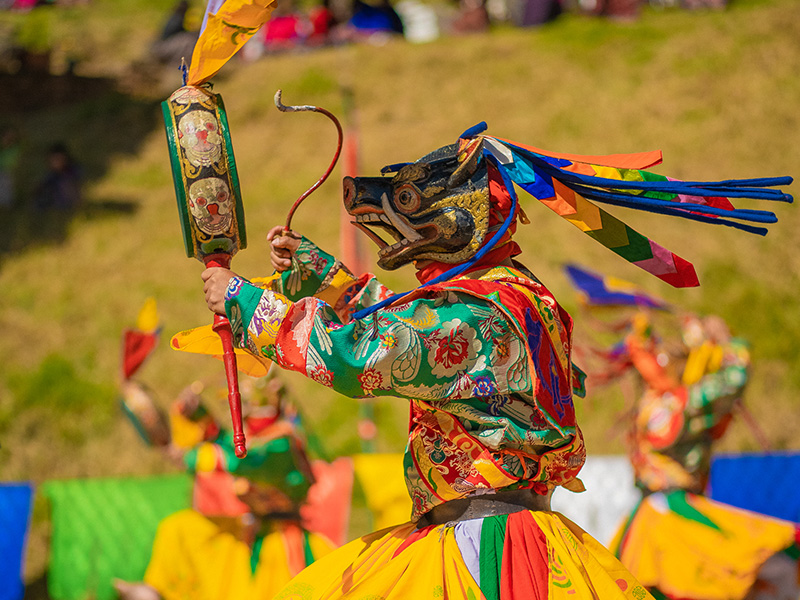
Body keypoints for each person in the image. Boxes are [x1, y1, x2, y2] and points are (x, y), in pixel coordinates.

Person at [197, 123, 790, 598]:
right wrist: (326, 279)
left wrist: (246, 303)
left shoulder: (481, 315)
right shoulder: (508, 295)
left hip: (484, 550)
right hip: (507, 533)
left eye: (407, 200)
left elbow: (367, 353)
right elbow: (418, 330)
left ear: (467, 218)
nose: (376, 209)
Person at [590, 310, 800, 600]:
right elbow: (734, 377)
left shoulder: (654, 403)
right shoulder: (678, 405)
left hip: (649, 519)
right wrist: (728, 341)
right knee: (759, 566)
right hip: (674, 517)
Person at [115, 373, 336, 600]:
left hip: (282, 538)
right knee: (179, 528)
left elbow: (242, 460)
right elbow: (227, 441)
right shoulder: (258, 437)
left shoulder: (281, 443)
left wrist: (188, 457)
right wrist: (200, 416)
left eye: (246, 399)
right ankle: (154, 592)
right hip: (250, 527)